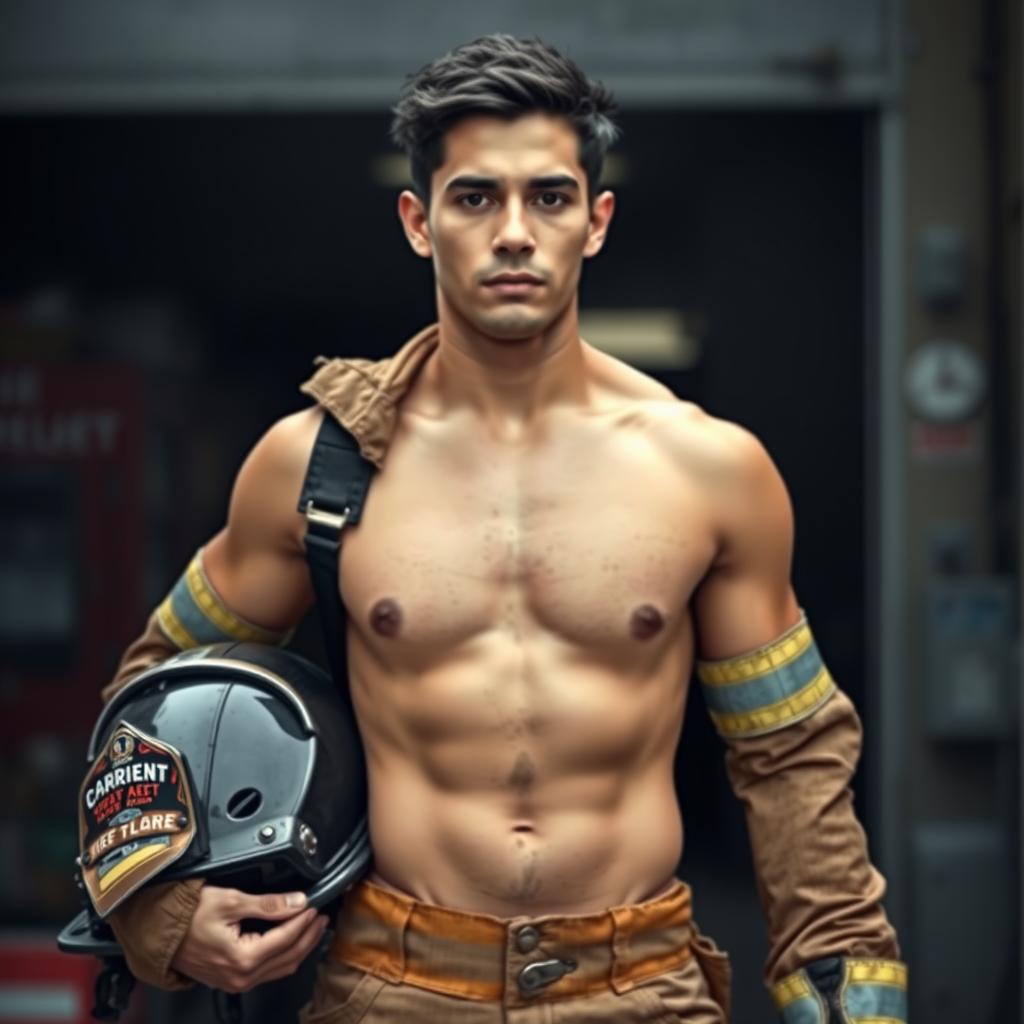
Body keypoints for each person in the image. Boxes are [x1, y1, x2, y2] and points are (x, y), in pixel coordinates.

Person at [98, 33, 906, 1024]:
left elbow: (790, 757)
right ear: (418, 220)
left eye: (549, 198)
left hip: (638, 987)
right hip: (392, 984)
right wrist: (162, 906)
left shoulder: (708, 471)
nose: (514, 232)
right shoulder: (311, 465)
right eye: (475, 197)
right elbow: (151, 693)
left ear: (596, 221)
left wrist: (846, 995)